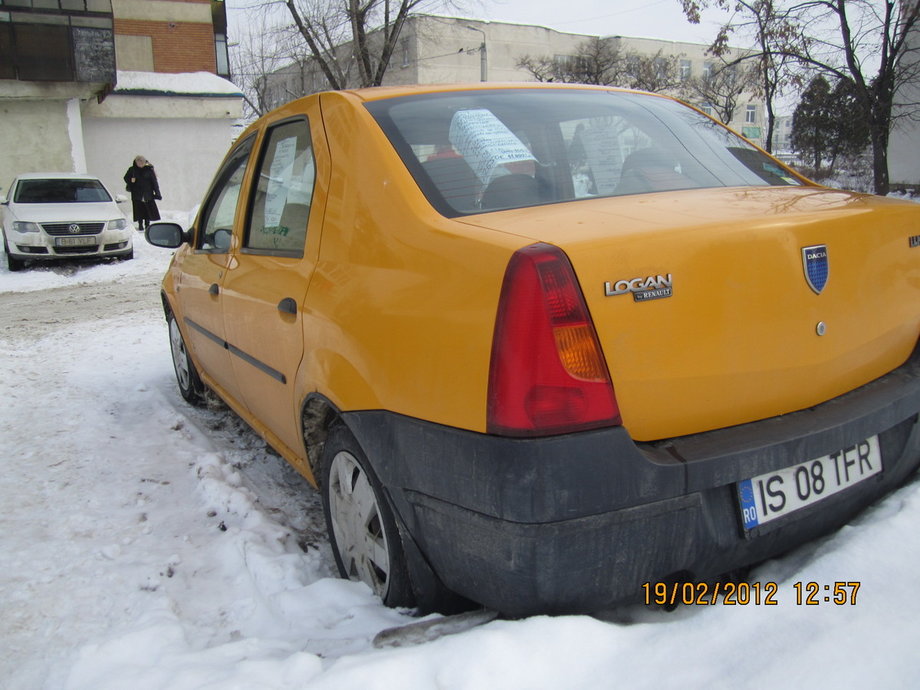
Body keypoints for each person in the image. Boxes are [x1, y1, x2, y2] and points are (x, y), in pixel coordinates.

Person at [123, 155, 162, 231]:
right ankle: (140, 224)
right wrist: (131, 180)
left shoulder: (149, 170)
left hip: (148, 194)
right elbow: (125, 178)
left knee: (148, 210)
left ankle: (147, 224)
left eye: (142, 162)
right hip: (137, 194)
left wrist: (157, 193)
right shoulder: (132, 169)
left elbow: (154, 182)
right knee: (139, 210)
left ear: (144, 162)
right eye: (138, 162)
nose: (140, 163)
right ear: (136, 162)